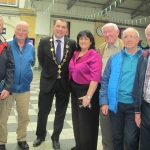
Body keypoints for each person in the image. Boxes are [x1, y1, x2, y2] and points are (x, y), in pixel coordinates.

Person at [33, 18, 76, 150]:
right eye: (58, 26)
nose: (60, 29)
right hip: (47, 81)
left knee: (61, 112)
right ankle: (40, 135)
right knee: (43, 111)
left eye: (63, 27)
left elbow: (72, 61)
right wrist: (50, 73)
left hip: (64, 84)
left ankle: (55, 137)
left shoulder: (72, 43)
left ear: (66, 30)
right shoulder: (44, 41)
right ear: (53, 27)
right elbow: (41, 60)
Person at [100, 27, 141, 150]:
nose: (129, 39)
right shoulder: (114, 57)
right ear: (122, 39)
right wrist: (104, 102)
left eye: (132, 36)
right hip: (116, 105)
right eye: (126, 37)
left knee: (131, 139)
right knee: (117, 137)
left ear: (138, 39)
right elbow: (105, 80)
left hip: (135, 106)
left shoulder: (144, 58)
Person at [68, 30, 102, 150]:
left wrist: (88, 96)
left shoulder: (94, 55)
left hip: (87, 92)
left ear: (91, 41)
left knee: (86, 123)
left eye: (86, 38)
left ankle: (87, 147)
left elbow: (95, 77)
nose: (83, 41)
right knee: (77, 120)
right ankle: (79, 145)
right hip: (75, 91)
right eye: (81, 38)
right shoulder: (76, 53)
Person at [8, 21, 35, 150]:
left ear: (28, 33)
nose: (21, 32)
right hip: (7, 88)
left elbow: (32, 63)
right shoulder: (7, 45)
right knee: (2, 117)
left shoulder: (31, 48)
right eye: (18, 29)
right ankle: (1, 141)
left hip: (24, 88)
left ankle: (22, 139)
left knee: (24, 116)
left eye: (24, 30)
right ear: (15, 30)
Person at [97, 23, 124, 150]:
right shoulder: (100, 49)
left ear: (118, 32)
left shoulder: (127, 46)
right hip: (106, 94)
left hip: (124, 95)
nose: (107, 35)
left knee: (122, 131)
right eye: (105, 32)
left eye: (110, 32)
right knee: (106, 129)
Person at [132, 24, 150, 150]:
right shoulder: (143, 57)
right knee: (145, 143)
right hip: (146, 108)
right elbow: (137, 85)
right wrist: (137, 111)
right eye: (149, 34)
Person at [0, 15, 14, 150]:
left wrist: (8, 87)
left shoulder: (6, 46)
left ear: (2, 27)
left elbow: (10, 67)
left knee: (1, 120)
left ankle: (1, 142)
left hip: (2, 89)